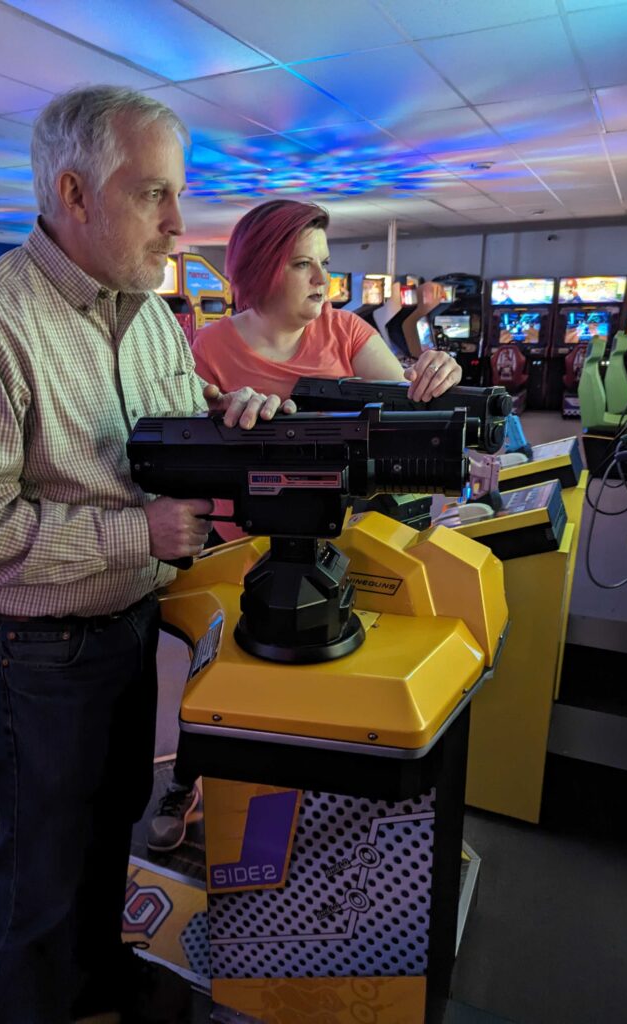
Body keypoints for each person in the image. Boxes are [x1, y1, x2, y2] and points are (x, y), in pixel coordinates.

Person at [0, 86, 292, 1024]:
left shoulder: (152, 316)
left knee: (108, 836)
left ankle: (93, 993)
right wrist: (138, 533)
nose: (177, 225)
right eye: (152, 195)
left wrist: (236, 427)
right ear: (73, 193)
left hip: (129, 629)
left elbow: (165, 438)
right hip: (38, 655)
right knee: (39, 880)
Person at [146, 199, 461, 853]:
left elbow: (411, 411)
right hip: (240, 555)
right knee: (219, 681)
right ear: (260, 268)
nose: (321, 280)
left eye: (323, 263)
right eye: (301, 264)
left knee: (333, 688)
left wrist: (436, 377)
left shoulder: (346, 332)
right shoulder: (209, 348)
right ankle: (192, 775)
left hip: (344, 545)